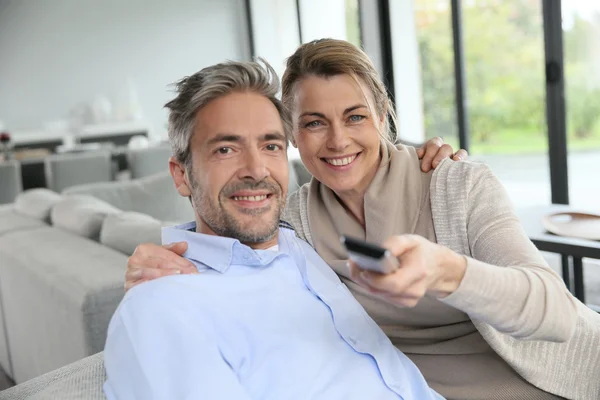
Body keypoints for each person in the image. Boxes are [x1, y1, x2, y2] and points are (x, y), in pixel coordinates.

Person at [125, 39, 600, 400]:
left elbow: (553, 312)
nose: (337, 141)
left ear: (382, 115)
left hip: (552, 380)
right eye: (314, 123)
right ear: (292, 135)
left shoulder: (454, 182)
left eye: (355, 117)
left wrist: (447, 271)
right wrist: (153, 260)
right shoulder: (293, 221)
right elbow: (226, 232)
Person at [103, 60, 444, 400]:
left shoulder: (303, 241)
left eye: (271, 146)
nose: (256, 170)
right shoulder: (162, 305)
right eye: (226, 149)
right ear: (181, 175)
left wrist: (431, 166)